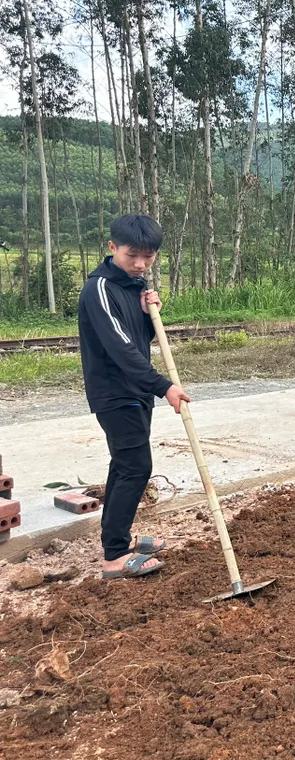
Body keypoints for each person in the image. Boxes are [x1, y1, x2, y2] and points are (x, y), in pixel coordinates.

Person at [78, 215, 190, 580]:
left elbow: (139, 341)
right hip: (114, 392)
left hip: (135, 391)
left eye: (149, 256)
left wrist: (147, 316)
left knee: (124, 465)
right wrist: (164, 386)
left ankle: (119, 538)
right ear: (112, 248)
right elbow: (120, 351)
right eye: (133, 256)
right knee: (136, 466)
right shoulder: (98, 290)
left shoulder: (133, 285)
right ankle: (113, 557)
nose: (141, 264)